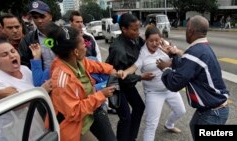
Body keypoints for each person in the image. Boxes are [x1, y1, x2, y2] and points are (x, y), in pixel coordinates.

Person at [156, 15, 230, 140]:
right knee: (193, 125)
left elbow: (175, 83)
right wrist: (173, 55)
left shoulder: (195, 52)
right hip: (212, 109)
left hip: (213, 112)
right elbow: (187, 68)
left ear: (190, 30)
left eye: (186, 28)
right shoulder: (203, 48)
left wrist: (165, 69)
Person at [45, 23, 117, 141]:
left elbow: (93, 65)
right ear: (76, 52)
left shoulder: (75, 61)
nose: (86, 46)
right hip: (76, 125)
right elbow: (73, 113)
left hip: (90, 113)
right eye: (83, 44)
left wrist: (112, 70)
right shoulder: (62, 80)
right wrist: (101, 95)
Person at [117, 26, 186, 141]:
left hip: (169, 88)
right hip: (153, 92)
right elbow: (134, 67)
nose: (154, 43)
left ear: (161, 39)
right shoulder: (143, 52)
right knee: (151, 125)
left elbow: (184, 56)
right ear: (146, 40)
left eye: (157, 40)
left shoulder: (165, 46)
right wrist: (124, 72)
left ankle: (169, 125)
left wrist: (173, 51)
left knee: (181, 111)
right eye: (151, 41)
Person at [0, 40, 51, 141]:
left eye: (13, 51)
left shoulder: (24, 69)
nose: (12, 56)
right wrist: (42, 90)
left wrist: (37, 58)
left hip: (30, 127)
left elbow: (36, 84)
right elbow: (16, 106)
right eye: (4, 55)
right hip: (6, 134)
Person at [106, 13, 154, 141]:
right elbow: (121, 77)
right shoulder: (118, 49)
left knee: (139, 107)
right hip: (116, 84)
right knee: (125, 117)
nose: (138, 32)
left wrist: (162, 46)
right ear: (124, 29)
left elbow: (147, 47)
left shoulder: (136, 39)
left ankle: (131, 137)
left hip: (128, 83)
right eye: (134, 30)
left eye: (139, 28)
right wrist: (141, 77)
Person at [19, 0, 55, 69]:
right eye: (35, 17)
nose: (39, 20)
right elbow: (25, 65)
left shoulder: (63, 35)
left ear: (50, 17)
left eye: (42, 16)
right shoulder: (27, 40)